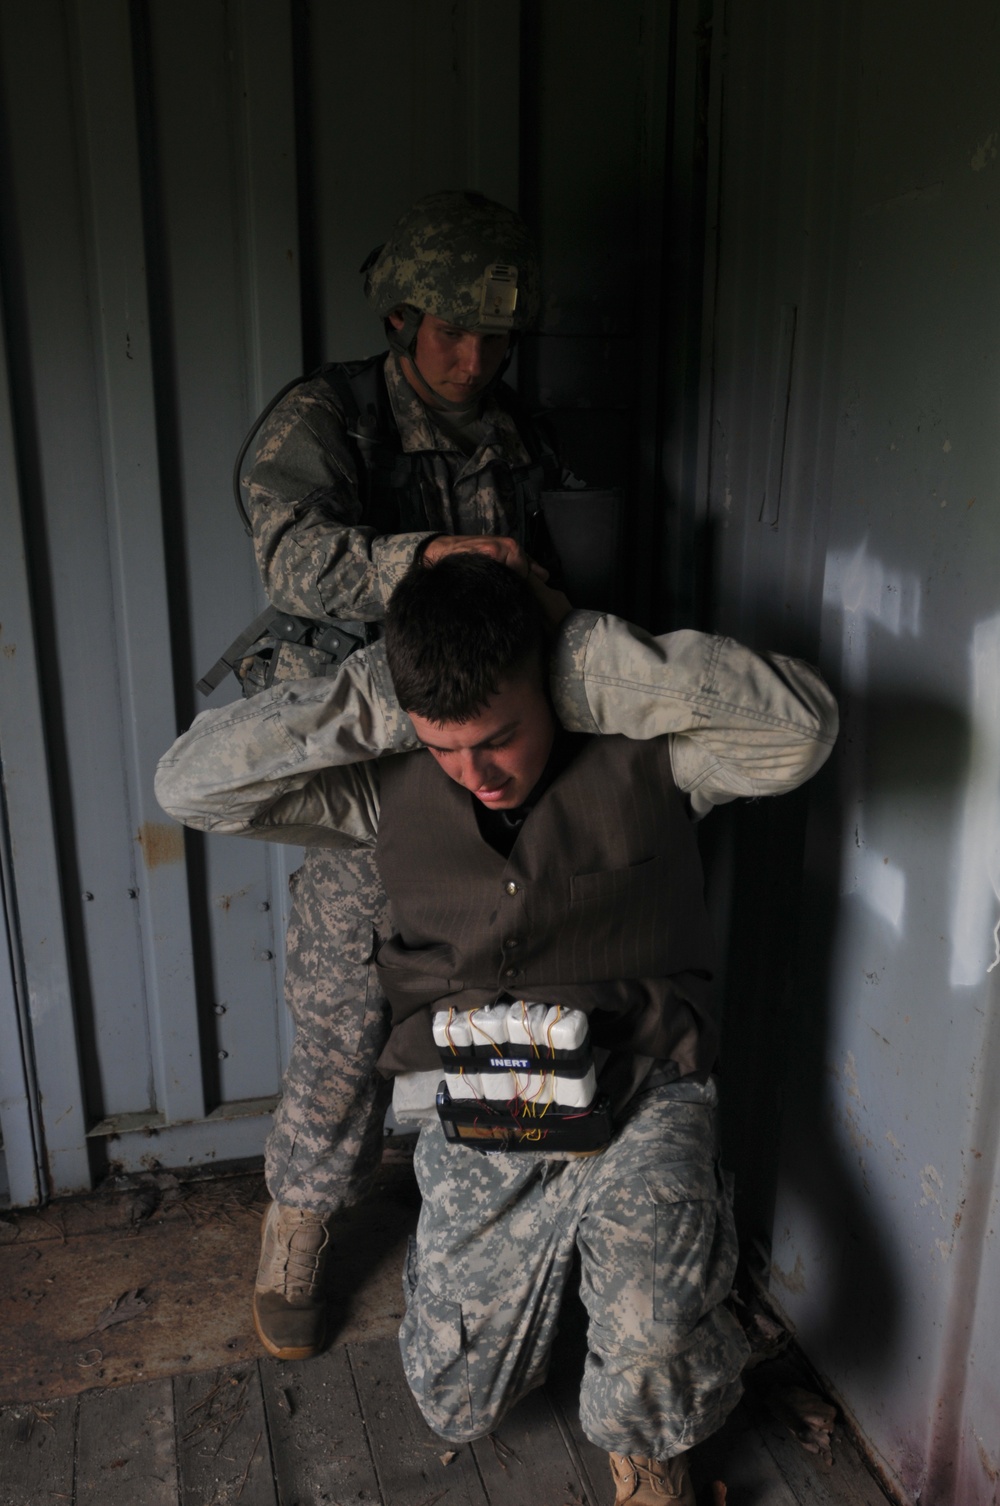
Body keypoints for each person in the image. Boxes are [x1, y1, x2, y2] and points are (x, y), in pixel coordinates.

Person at [156, 556, 838, 1504]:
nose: (473, 773)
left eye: (500, 736)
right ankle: (623, 1292)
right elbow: (190, 788)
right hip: (490, 1111)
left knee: (650, 1335)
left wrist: (577, 657)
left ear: (550, 687)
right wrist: (385, 700)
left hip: (643, 1093)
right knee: (453, 1401)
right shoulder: (388, 788)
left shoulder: (657, 760)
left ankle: (654, 1416)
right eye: (443, 747)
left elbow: (802, 729)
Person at [235, 189, 564, 1361]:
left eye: (497, 340)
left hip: (484, 761)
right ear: (401, 317)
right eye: (453, 334)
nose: (475, 360)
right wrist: (426, 557)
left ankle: (512, 1239)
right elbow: (292, 555)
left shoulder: (510, 435)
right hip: (365, 762)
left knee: (504, 991)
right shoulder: (329, 420)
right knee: (340, 1010)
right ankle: (300, 1230)